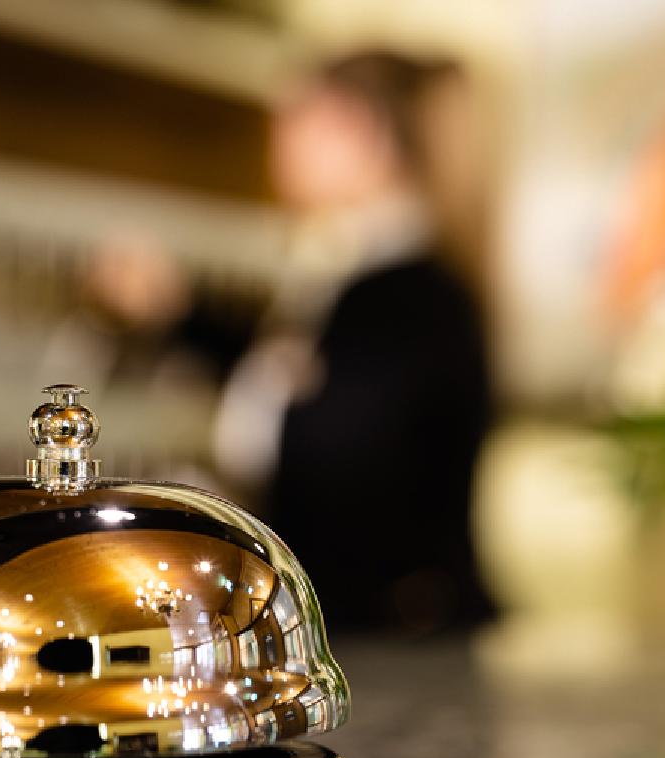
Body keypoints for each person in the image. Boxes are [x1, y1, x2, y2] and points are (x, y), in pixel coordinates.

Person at [95, 51, 498, 635]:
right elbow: (291, 371)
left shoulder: (409, 296)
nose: (279, 142)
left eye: (299, 120)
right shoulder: (377, 280)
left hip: (398, 631)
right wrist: (177, 313)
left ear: (362, 132)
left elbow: (339, 457)